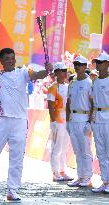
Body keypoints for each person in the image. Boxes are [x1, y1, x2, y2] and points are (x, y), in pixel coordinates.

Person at [0, 40, 48, 201]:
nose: (11, 61)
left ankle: (12, 190)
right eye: (7, 59)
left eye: (13, 58)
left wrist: (46, 71)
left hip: (19, 121)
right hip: (1, 120)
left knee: (17, 156)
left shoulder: (24, 72)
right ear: (2, 61)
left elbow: (37, 75)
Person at [66, 55, 93, 187]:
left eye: (80, 65)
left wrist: (90, 122)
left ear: (85, 67)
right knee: (77, 150)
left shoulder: (89, 83)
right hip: (73, 118)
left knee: (85, 149)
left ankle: (87, 177)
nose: (77, 67)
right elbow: (68, 102)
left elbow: (93, 103)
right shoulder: (72, 83)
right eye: (76, 64)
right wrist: (67, 121)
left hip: (84, 119)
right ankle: (80, 176)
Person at [47, 62, 73, 182]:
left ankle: (63, 170)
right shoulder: (52, 87)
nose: (64, 72)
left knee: (64, 147)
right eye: (61, 70)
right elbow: (50, 106)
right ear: (56, 73)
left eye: (65, 70)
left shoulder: (68, 86)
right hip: (57, 120)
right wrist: (53, 121)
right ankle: (55, 172)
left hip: (67, 120)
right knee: (56, 147)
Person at [91, 51, 109, 193]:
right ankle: (105, 181)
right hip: (97, 118)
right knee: (101, 152)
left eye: (101, 62)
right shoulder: (95, 81)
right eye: (97, 62)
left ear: (107, 64)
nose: (98, 64)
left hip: (108, 117)